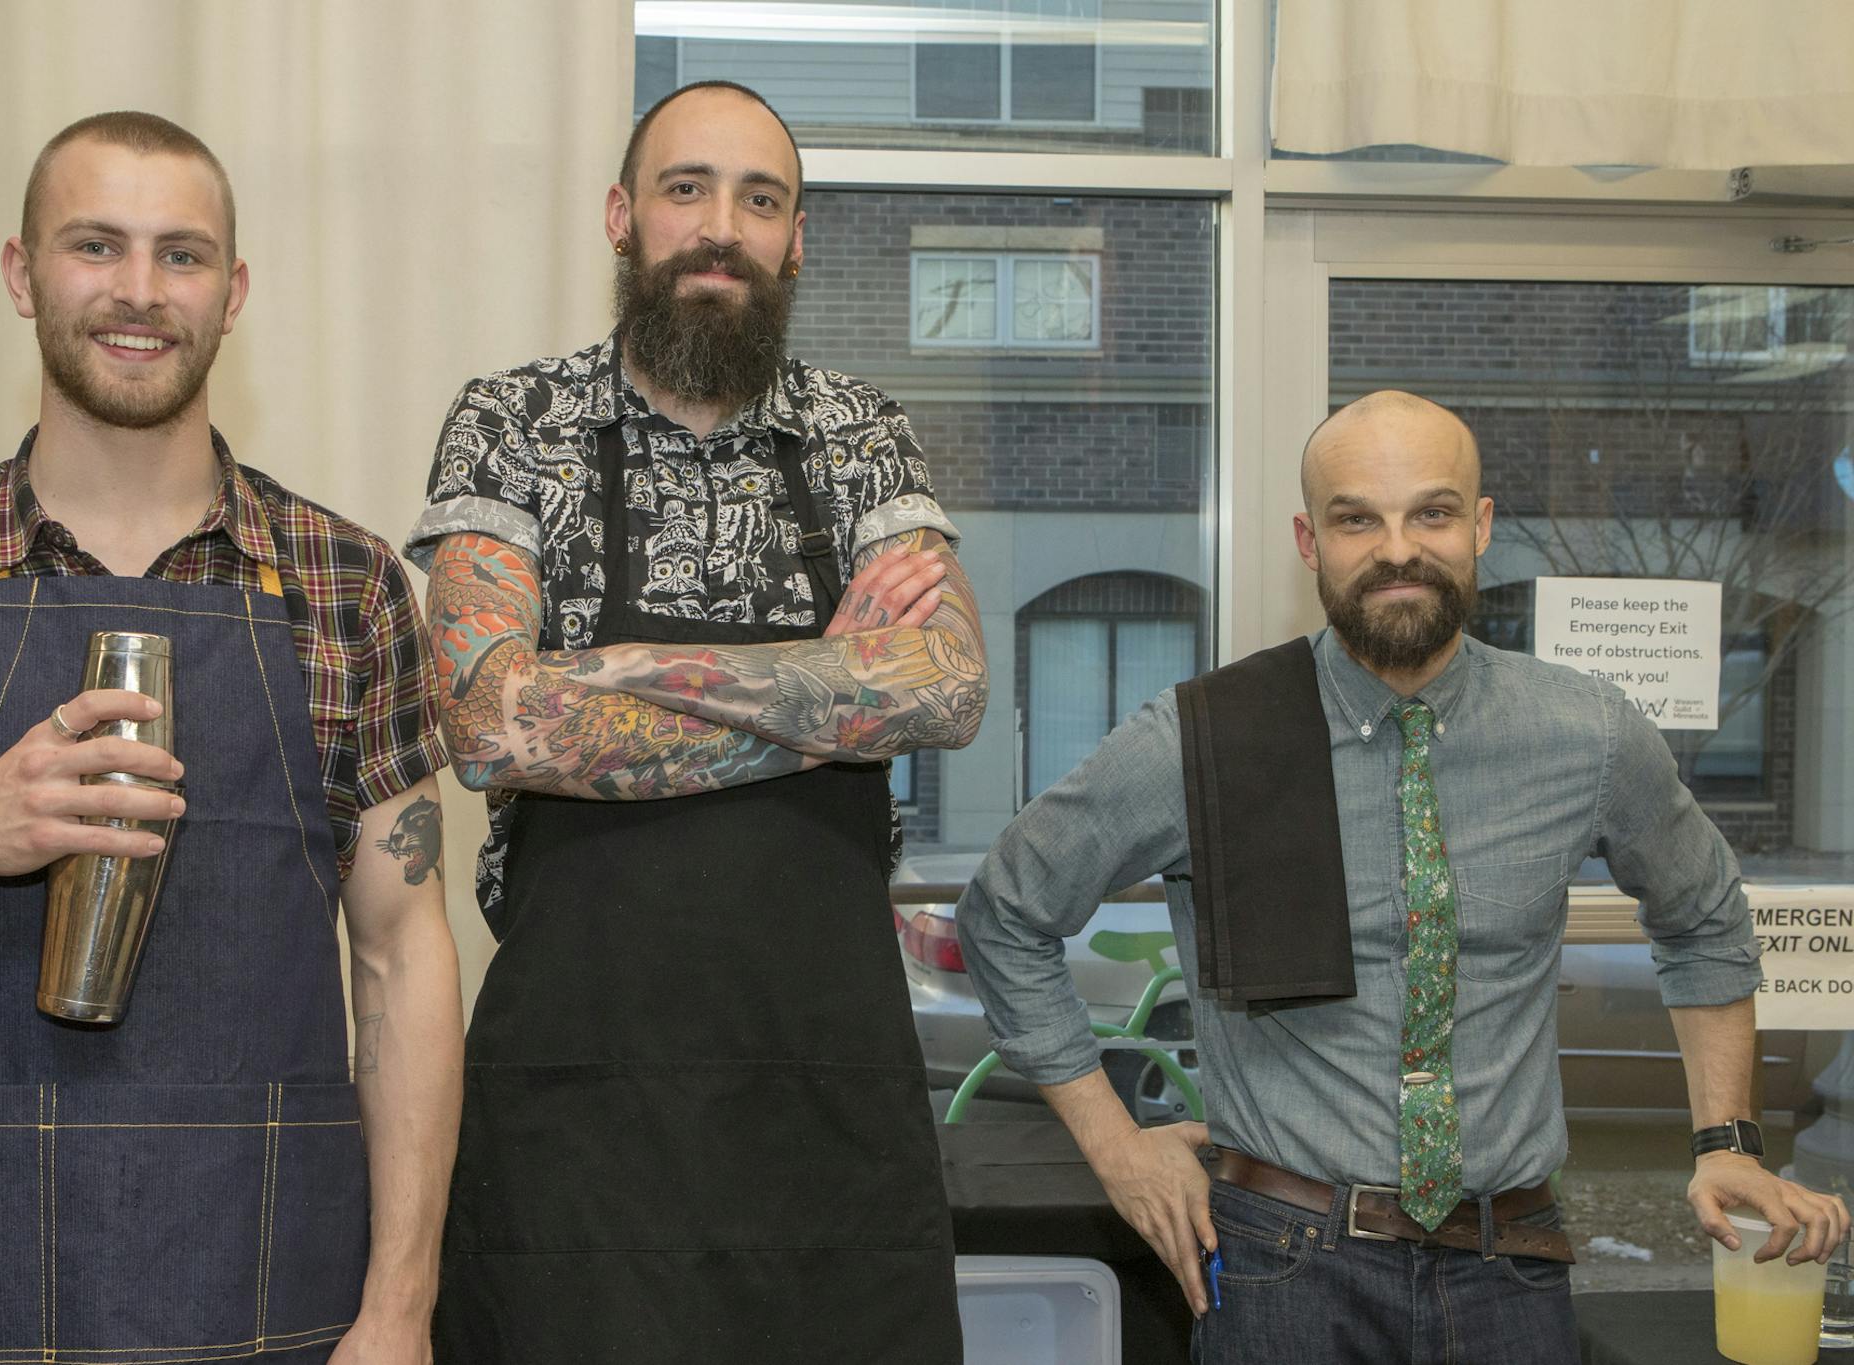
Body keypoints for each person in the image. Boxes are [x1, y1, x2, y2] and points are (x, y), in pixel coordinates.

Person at [0, 112, 461, 1364]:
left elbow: (402, 959)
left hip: (273, 1286)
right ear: (22, 274)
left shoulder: (346, 584)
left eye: (182, 255)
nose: (140, 292)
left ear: (234, 294)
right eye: (96, 245)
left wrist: (402, 1310)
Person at [954, 390, 1849, 1362]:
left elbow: (1706, 917)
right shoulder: (1204, 739)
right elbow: (1007, 912)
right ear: (1310, 541)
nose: (1396, 550)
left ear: (1481, 526)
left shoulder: (1587, 733)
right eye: (1356, 519)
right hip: (1282, 1270)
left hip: (1513, 1267)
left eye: (1430, 512)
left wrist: (1726, 1143)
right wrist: (1118, 1151)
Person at [406, 80, 987, 1365]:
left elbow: (946, 687)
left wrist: (606, 684)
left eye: (759, 199)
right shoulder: (514, 425)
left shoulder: (863, 435)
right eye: (687, 189)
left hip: (825, 1110)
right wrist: (831, 682)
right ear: (622, 216)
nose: (720, 226)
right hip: (578, 1122)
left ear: (796, 239)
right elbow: (496, 724)